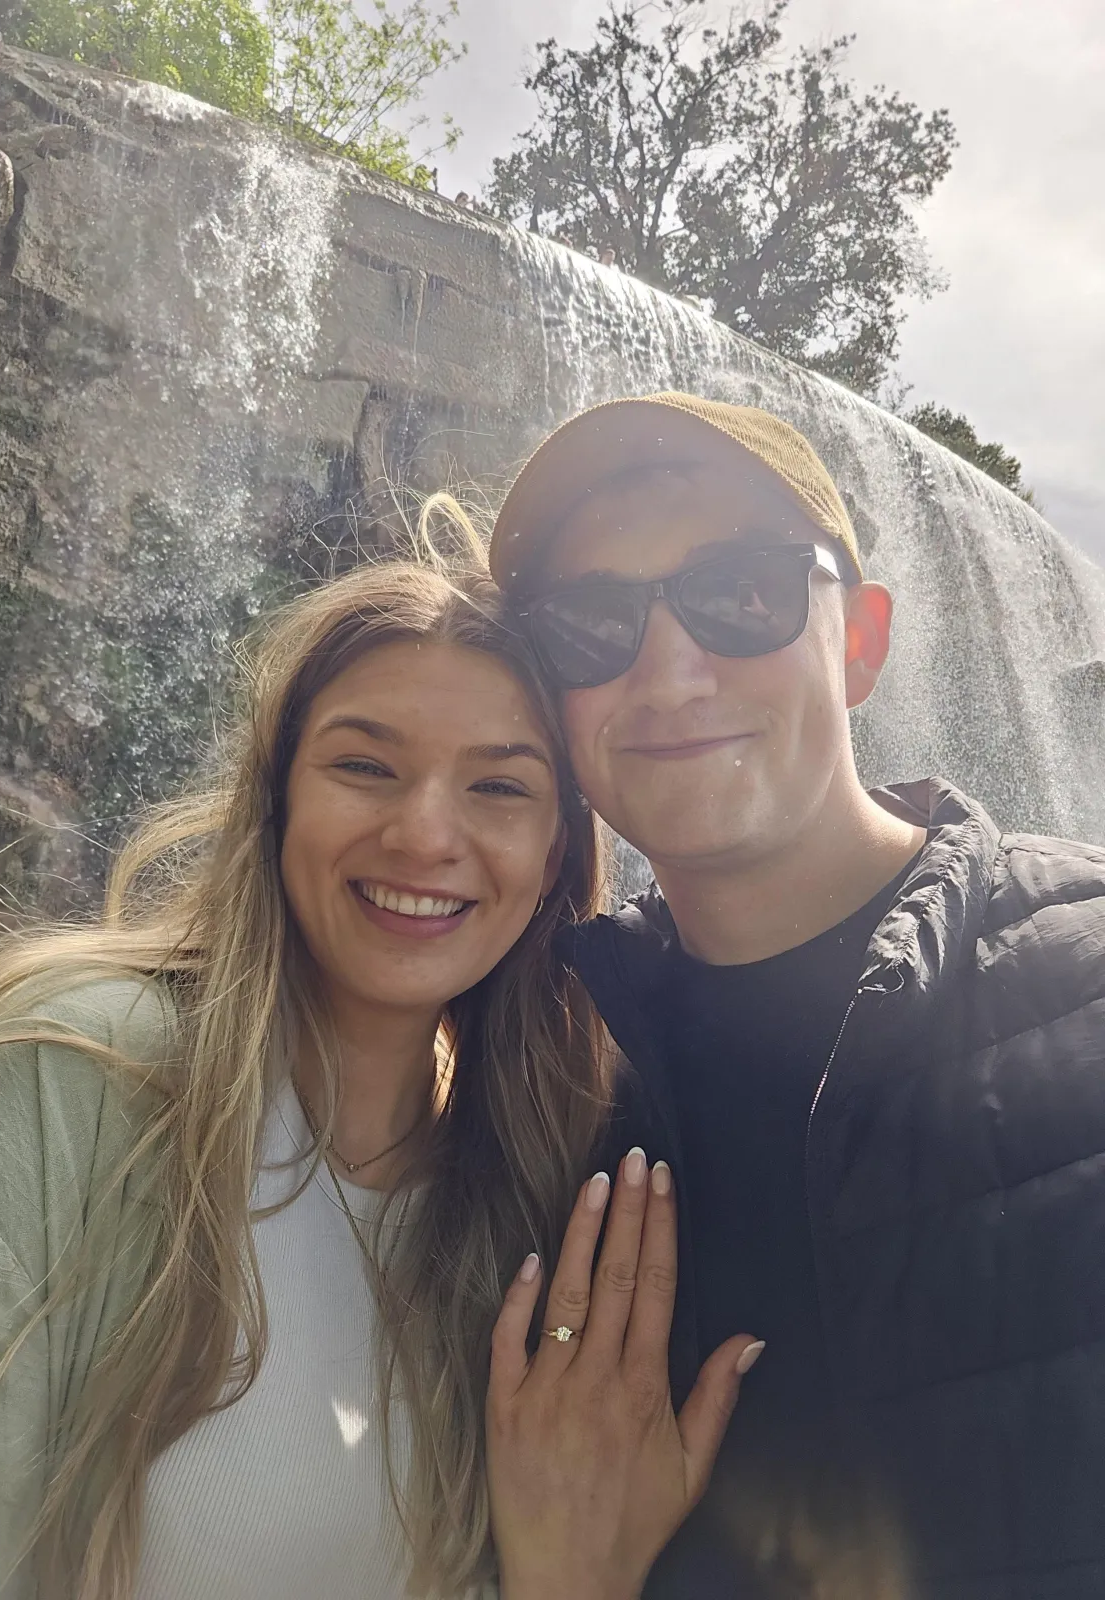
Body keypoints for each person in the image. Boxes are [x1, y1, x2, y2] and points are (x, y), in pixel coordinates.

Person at [0, 510, 759, 1600]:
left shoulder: (538, 1192)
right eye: (365, 765)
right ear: (277, 800)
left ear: (556, 856)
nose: (425, 835)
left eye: (500, 786)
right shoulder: (64, 1076)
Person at [487, 392, 1105, 1600]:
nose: (669, 672)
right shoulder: (537, 1062)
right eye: (593, 624)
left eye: (743, 593)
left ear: (861, 642)